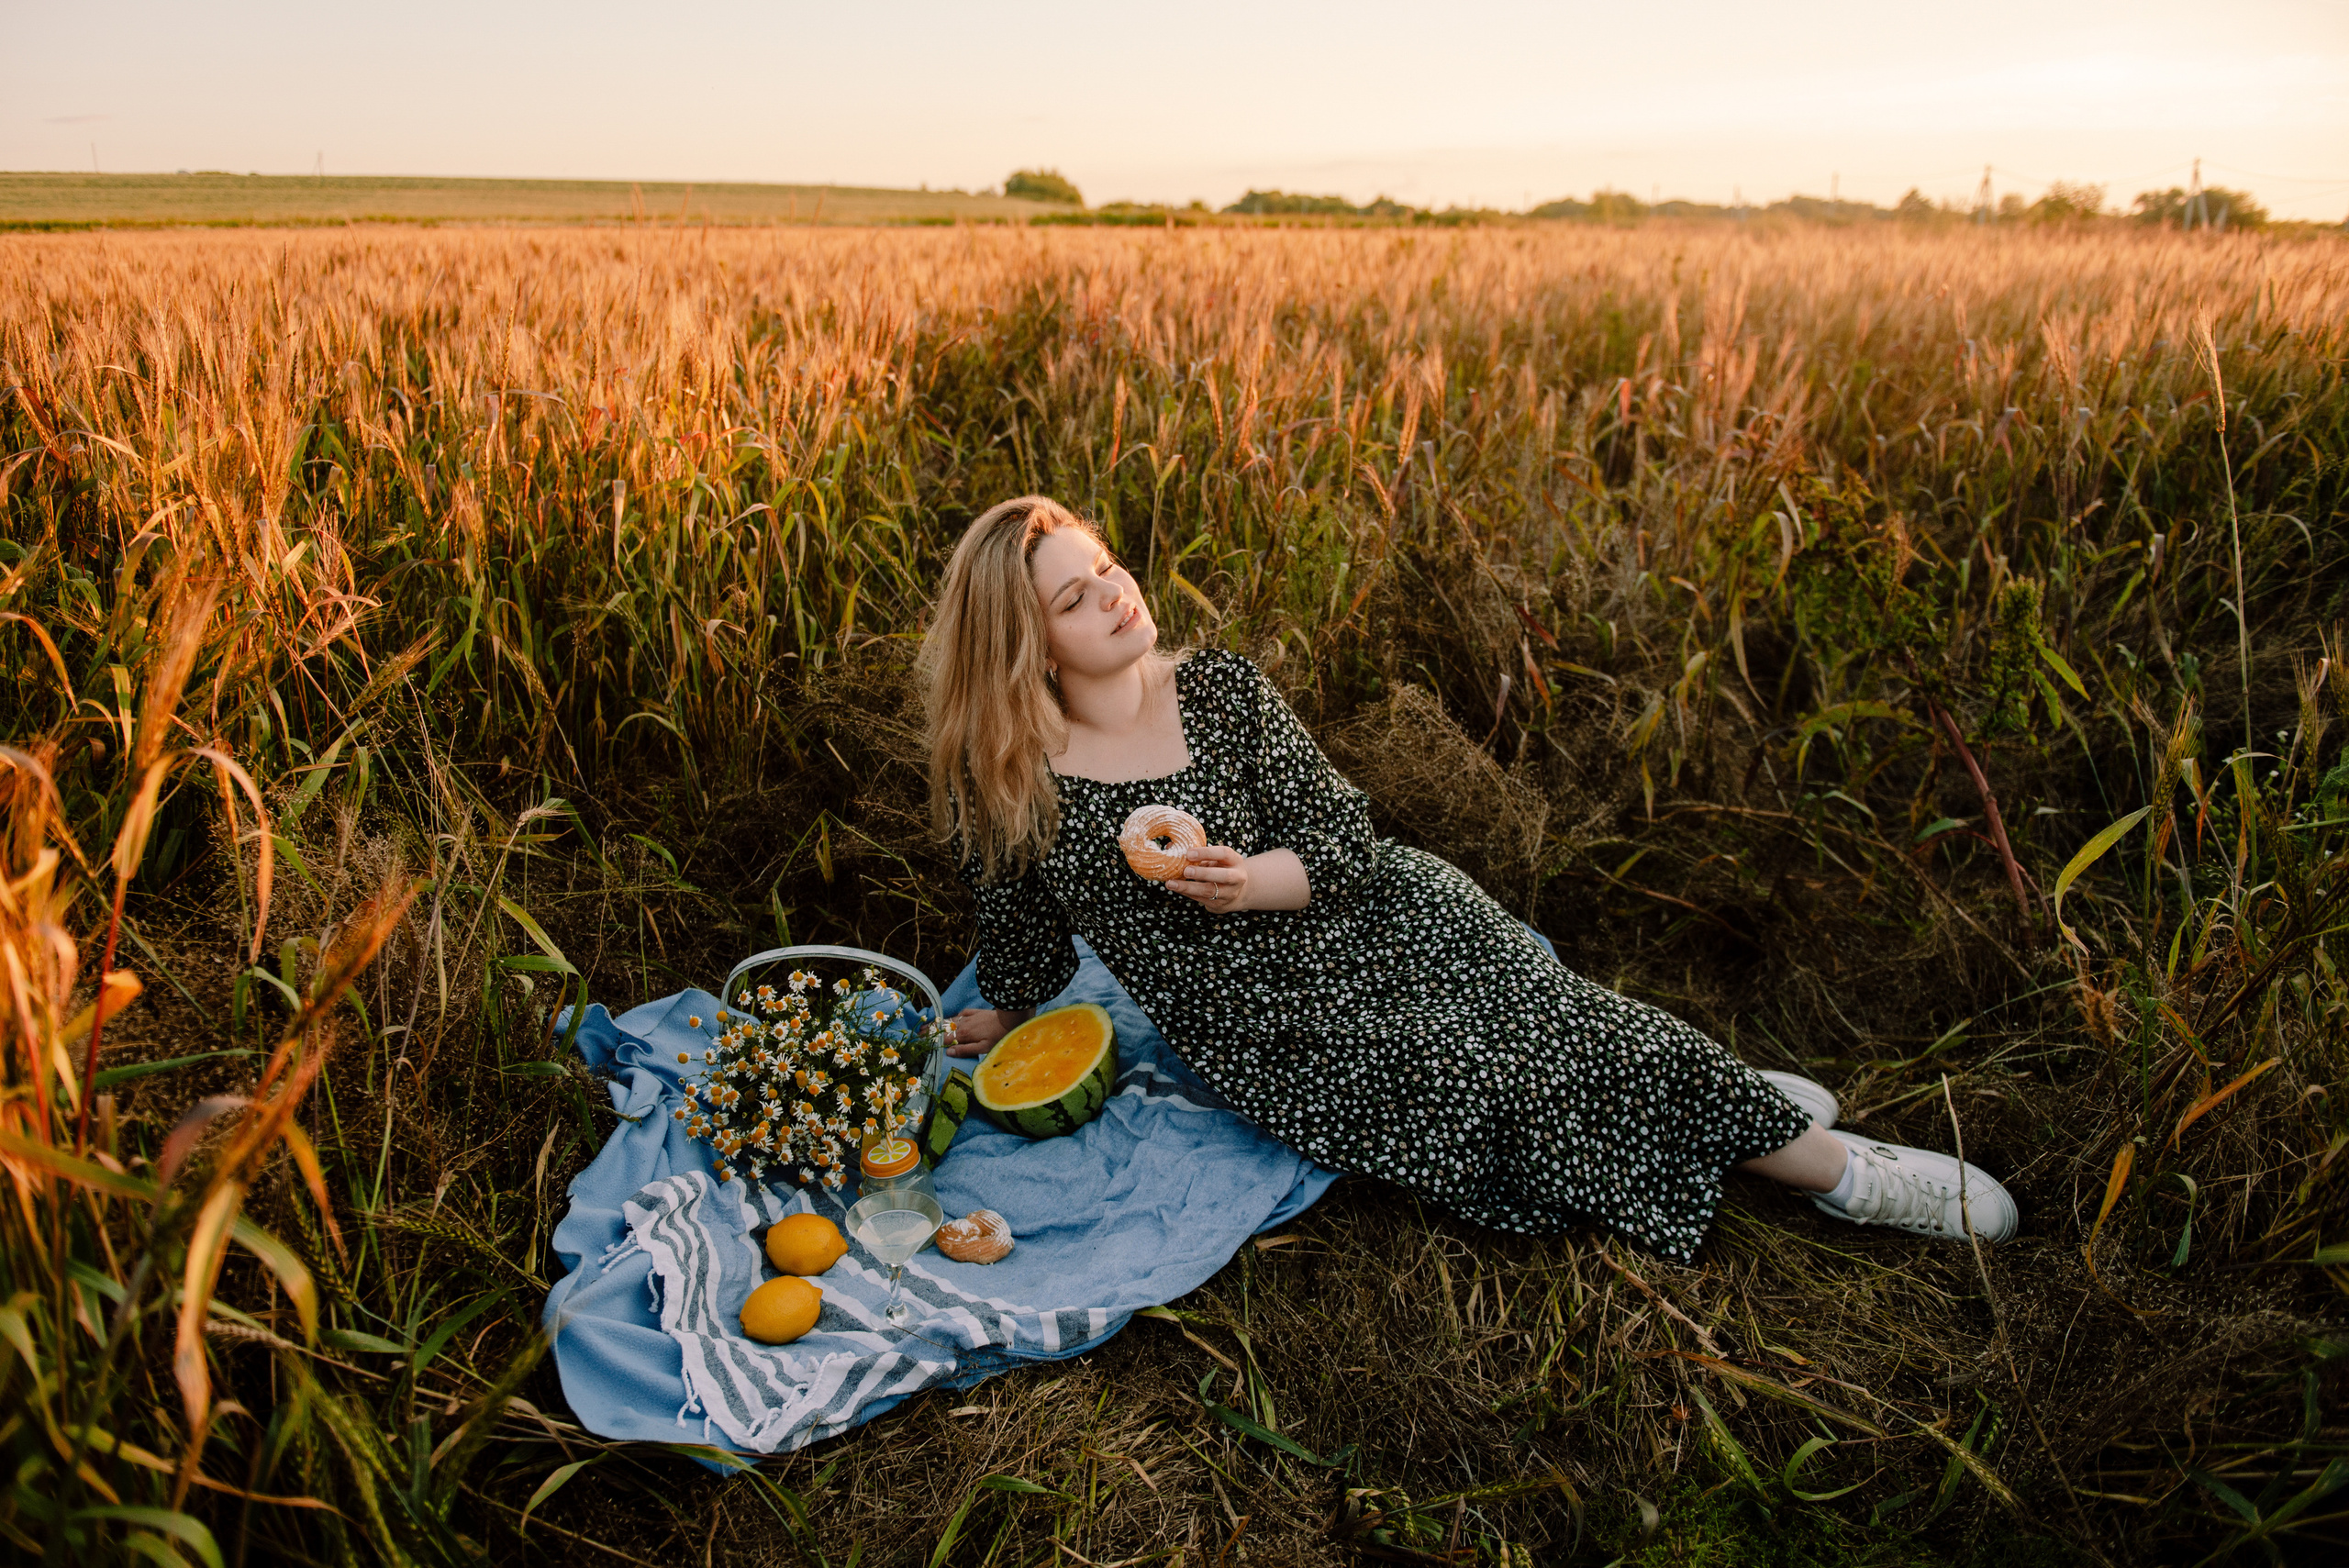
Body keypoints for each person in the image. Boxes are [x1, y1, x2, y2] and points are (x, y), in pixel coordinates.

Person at [921, 496, 2017, 1261]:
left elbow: (1339, 838)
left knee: (1556, 1015)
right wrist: (1005, 1006)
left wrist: (1252, 878)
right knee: (1485, 1073)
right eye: (1075, 598)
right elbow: (1020, 920)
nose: (1115, 594)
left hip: (1376, 909)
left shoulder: (1218, 690)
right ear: (1030, 646)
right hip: (1271, 1020)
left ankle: (1841, 1173)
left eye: (1106, 566)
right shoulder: (1021, 782)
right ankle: (1765, 1129)